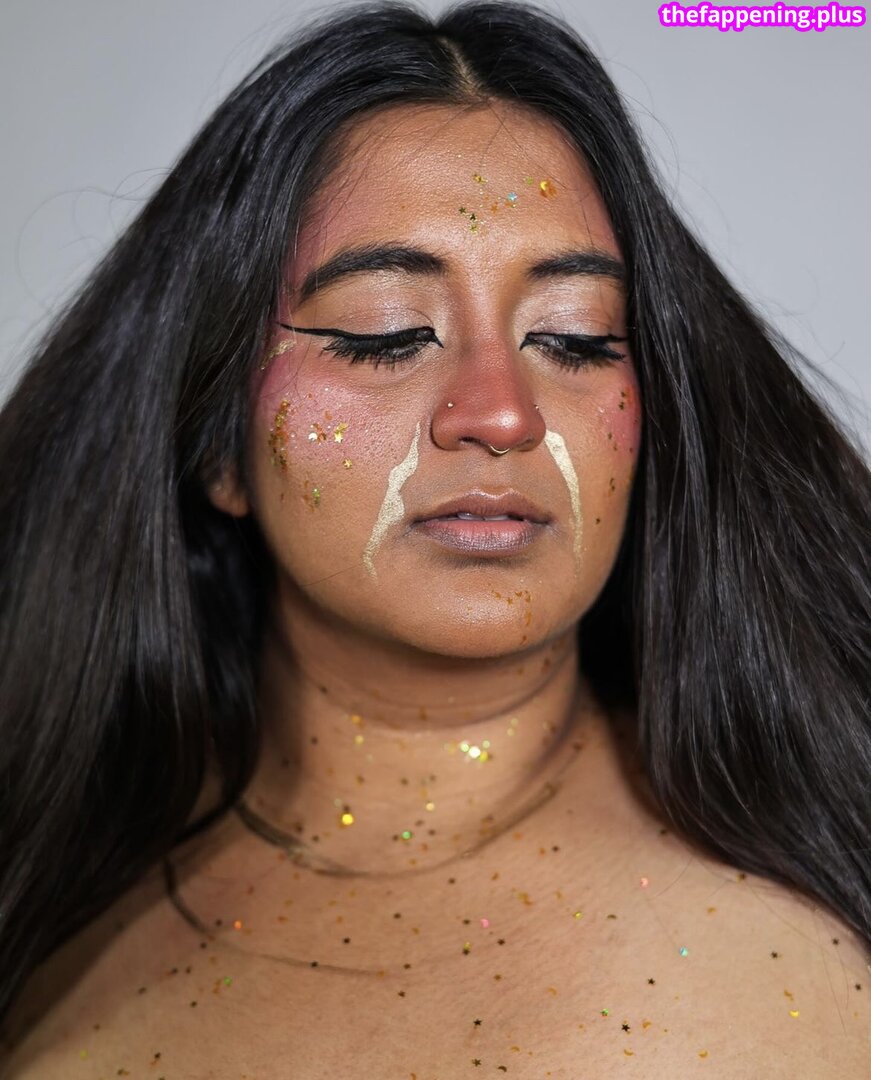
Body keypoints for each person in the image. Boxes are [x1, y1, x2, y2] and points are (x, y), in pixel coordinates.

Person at [0, 1, 868, 1075]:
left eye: (574, 340)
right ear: (217, 442)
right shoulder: (56, 886)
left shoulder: (789, 979)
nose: (498, 413)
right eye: (389, 334)